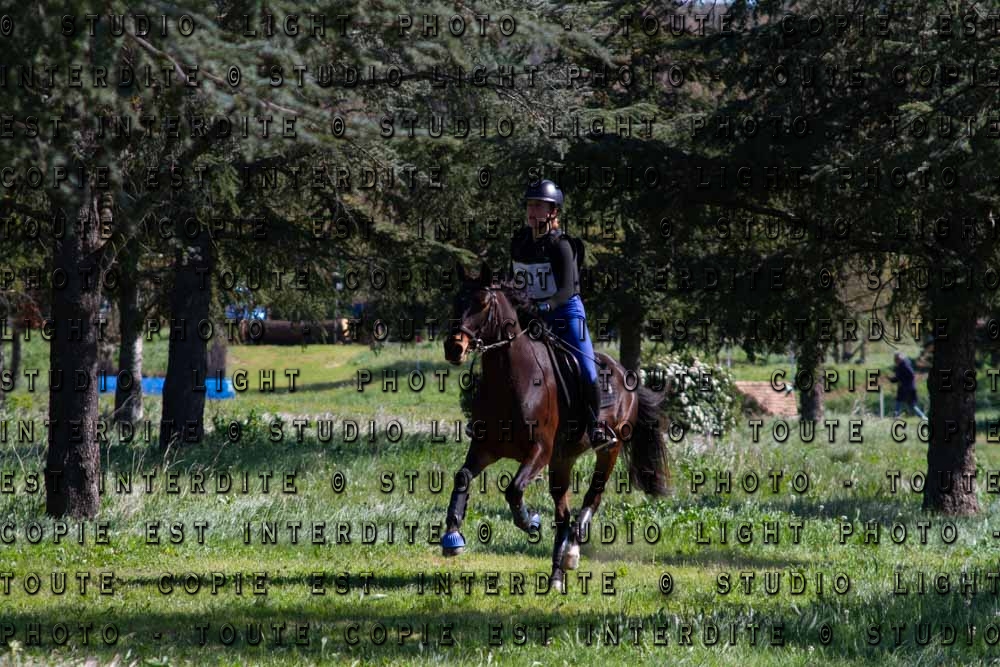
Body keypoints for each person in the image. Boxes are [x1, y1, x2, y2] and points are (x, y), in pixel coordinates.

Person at [509, 179, 615, 448]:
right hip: (531, 314)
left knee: (587, 369)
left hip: (566, 313)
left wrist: (544, 307)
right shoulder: (519, 241)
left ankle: (595, 427)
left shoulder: (561, 245)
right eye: (530, 205)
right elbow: (513, 278)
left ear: (553, 211)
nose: (532, 211)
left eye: (539, 206)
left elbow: (567, 289)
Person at [889, 351, 927, 419]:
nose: (895, 360)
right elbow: (899, 377)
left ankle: (923, 417)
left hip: (908, 389)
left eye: (896, 359)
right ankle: (896, 416)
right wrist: (891, 379)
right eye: (895, 359)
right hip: (903, 388)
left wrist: (903, 382)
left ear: (900, 359)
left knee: (910, 404)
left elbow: (911, 375)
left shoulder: (905, 365)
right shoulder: (900, 366)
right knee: (899, 402)